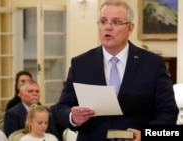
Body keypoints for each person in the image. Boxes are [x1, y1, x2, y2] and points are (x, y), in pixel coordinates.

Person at [55, 0, 179, 141]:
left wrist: (145, 135)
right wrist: (72, 117)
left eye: (116, 22)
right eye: (103, 21)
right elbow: (61, 109)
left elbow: (168, 112)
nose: (108, 27)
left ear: (130, 29)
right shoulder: (81, 64)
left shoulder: (153, 64)